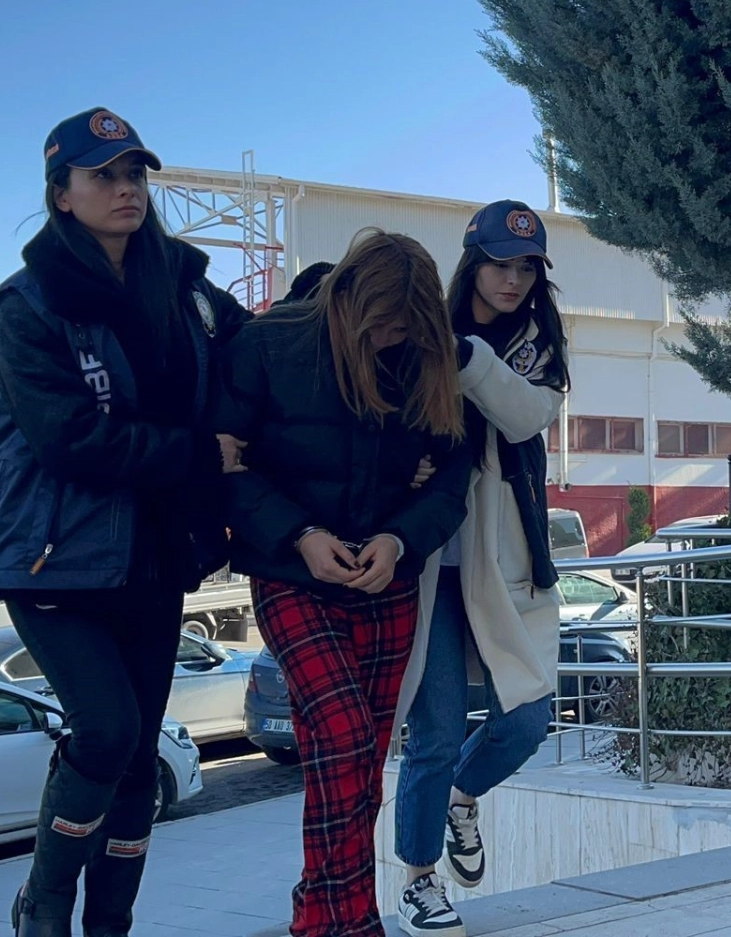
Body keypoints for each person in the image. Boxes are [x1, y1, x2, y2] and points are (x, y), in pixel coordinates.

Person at [0, 108, 251, 936]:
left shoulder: (186, 292)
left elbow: (261, 352)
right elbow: (71, 440)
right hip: (52, 559)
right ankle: (43, 904)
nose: (126, 188)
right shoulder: (27, 307)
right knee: (107, 732)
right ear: (62, 195)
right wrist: (201, 455)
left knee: (136, 757)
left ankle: (111, 924)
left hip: (154, 555)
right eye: (103, 175)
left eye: (134, 174)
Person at [218, 229, 472, 937]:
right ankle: (348, 922)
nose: (395, 340)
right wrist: (300, 534)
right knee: (342, 735)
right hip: (290, 573)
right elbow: (226, 468)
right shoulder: (267, 346)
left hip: (388, 578)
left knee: (359, 759)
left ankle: (322, 915)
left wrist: (400, 539)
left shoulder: (426, 354)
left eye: (408, 329)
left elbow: (451, 480)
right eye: (385, 325)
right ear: (349, 301)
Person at [392, 200, 570, 937]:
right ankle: (418, 882)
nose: (512, 279)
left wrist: (468, 360)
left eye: (526, 267)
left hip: (506, 565)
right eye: (500, 263)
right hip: (428, 566)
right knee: (433, 734)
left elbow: (527, 415)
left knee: (527, 721)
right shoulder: (417, 333)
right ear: (473, 264)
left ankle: (462, 800)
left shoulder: (538, 342)